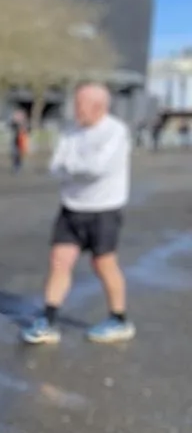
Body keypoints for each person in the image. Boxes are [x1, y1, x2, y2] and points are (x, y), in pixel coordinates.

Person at [21, 83, 135, 345]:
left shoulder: (115, 132)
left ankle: (119, 319)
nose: (76, 110)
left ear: (99, 107)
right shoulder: (71, 130)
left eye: (80, 105)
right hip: (71, 207)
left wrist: (71, 167)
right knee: (59, 261)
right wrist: (75, 168)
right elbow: (55, 167)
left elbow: (98, 168)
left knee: (103, 264)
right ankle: (48, 320)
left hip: (104, 209)